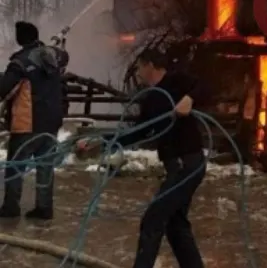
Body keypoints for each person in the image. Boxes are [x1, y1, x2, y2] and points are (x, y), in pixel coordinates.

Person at [79, 48, 207, 268]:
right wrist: (100, 141)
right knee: (175, 224)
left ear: (150, 65)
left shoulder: (176, 81)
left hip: (188, 164)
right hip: (176, 166)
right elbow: (137, 133)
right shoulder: (151, 99)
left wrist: (190, 98)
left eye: (139, 67)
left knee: (152, 220)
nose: (137, 72)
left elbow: (207, 86)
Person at [0, 21, 69, 220]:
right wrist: (56, 44)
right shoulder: (53, 56)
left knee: (16, 165)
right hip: (51, 122)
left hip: (27, 123)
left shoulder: (19, 62)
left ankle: (11, 207)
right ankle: (44, 208)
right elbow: (64, 56)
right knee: (45, 165)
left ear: (20, 38)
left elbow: (4, 88)